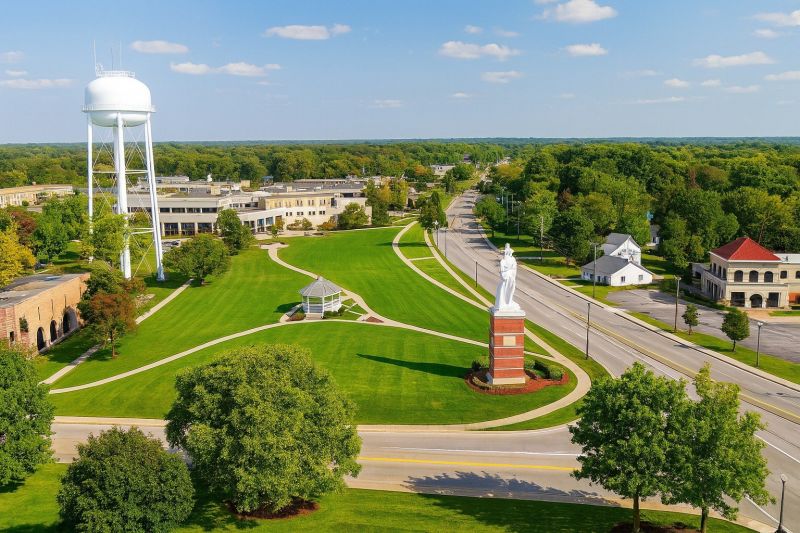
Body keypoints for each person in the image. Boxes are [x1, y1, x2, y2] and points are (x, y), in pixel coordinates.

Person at [495, 243, 520, 311]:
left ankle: (509, 302)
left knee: (511, 289)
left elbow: (514, 268)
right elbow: (502, 271)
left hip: (511, 277)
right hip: (506, 277)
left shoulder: (512, 259)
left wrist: (511, 274)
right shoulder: (503, 261)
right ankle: (504, 303)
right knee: (504, 289)